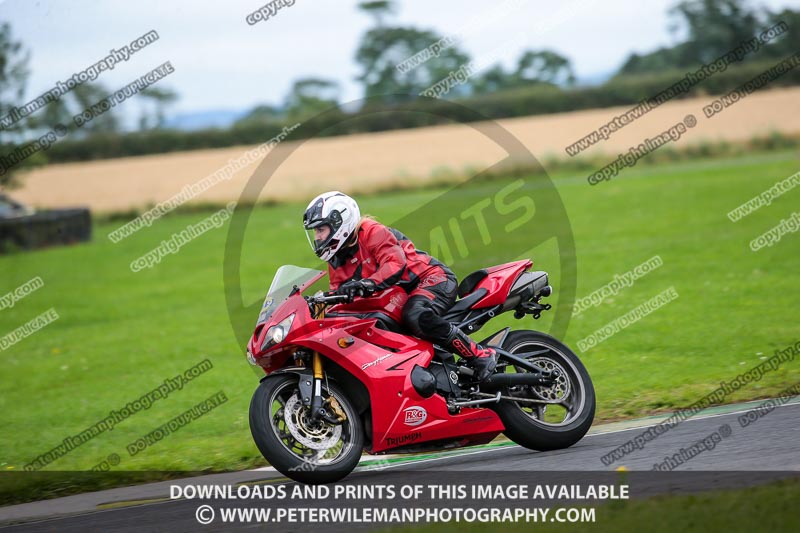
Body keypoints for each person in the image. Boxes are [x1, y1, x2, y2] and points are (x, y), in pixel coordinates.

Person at [302, 191, 496, 381]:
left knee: (415, 315)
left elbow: (394, 264)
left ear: (339, 222)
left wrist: (367, 283)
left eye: (321, 230)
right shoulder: (336, 259)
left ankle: (479, 354)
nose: (318, 237)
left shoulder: (372, 232)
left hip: (431, 279)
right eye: (316, 232)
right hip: (398, 293)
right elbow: (340, 296)